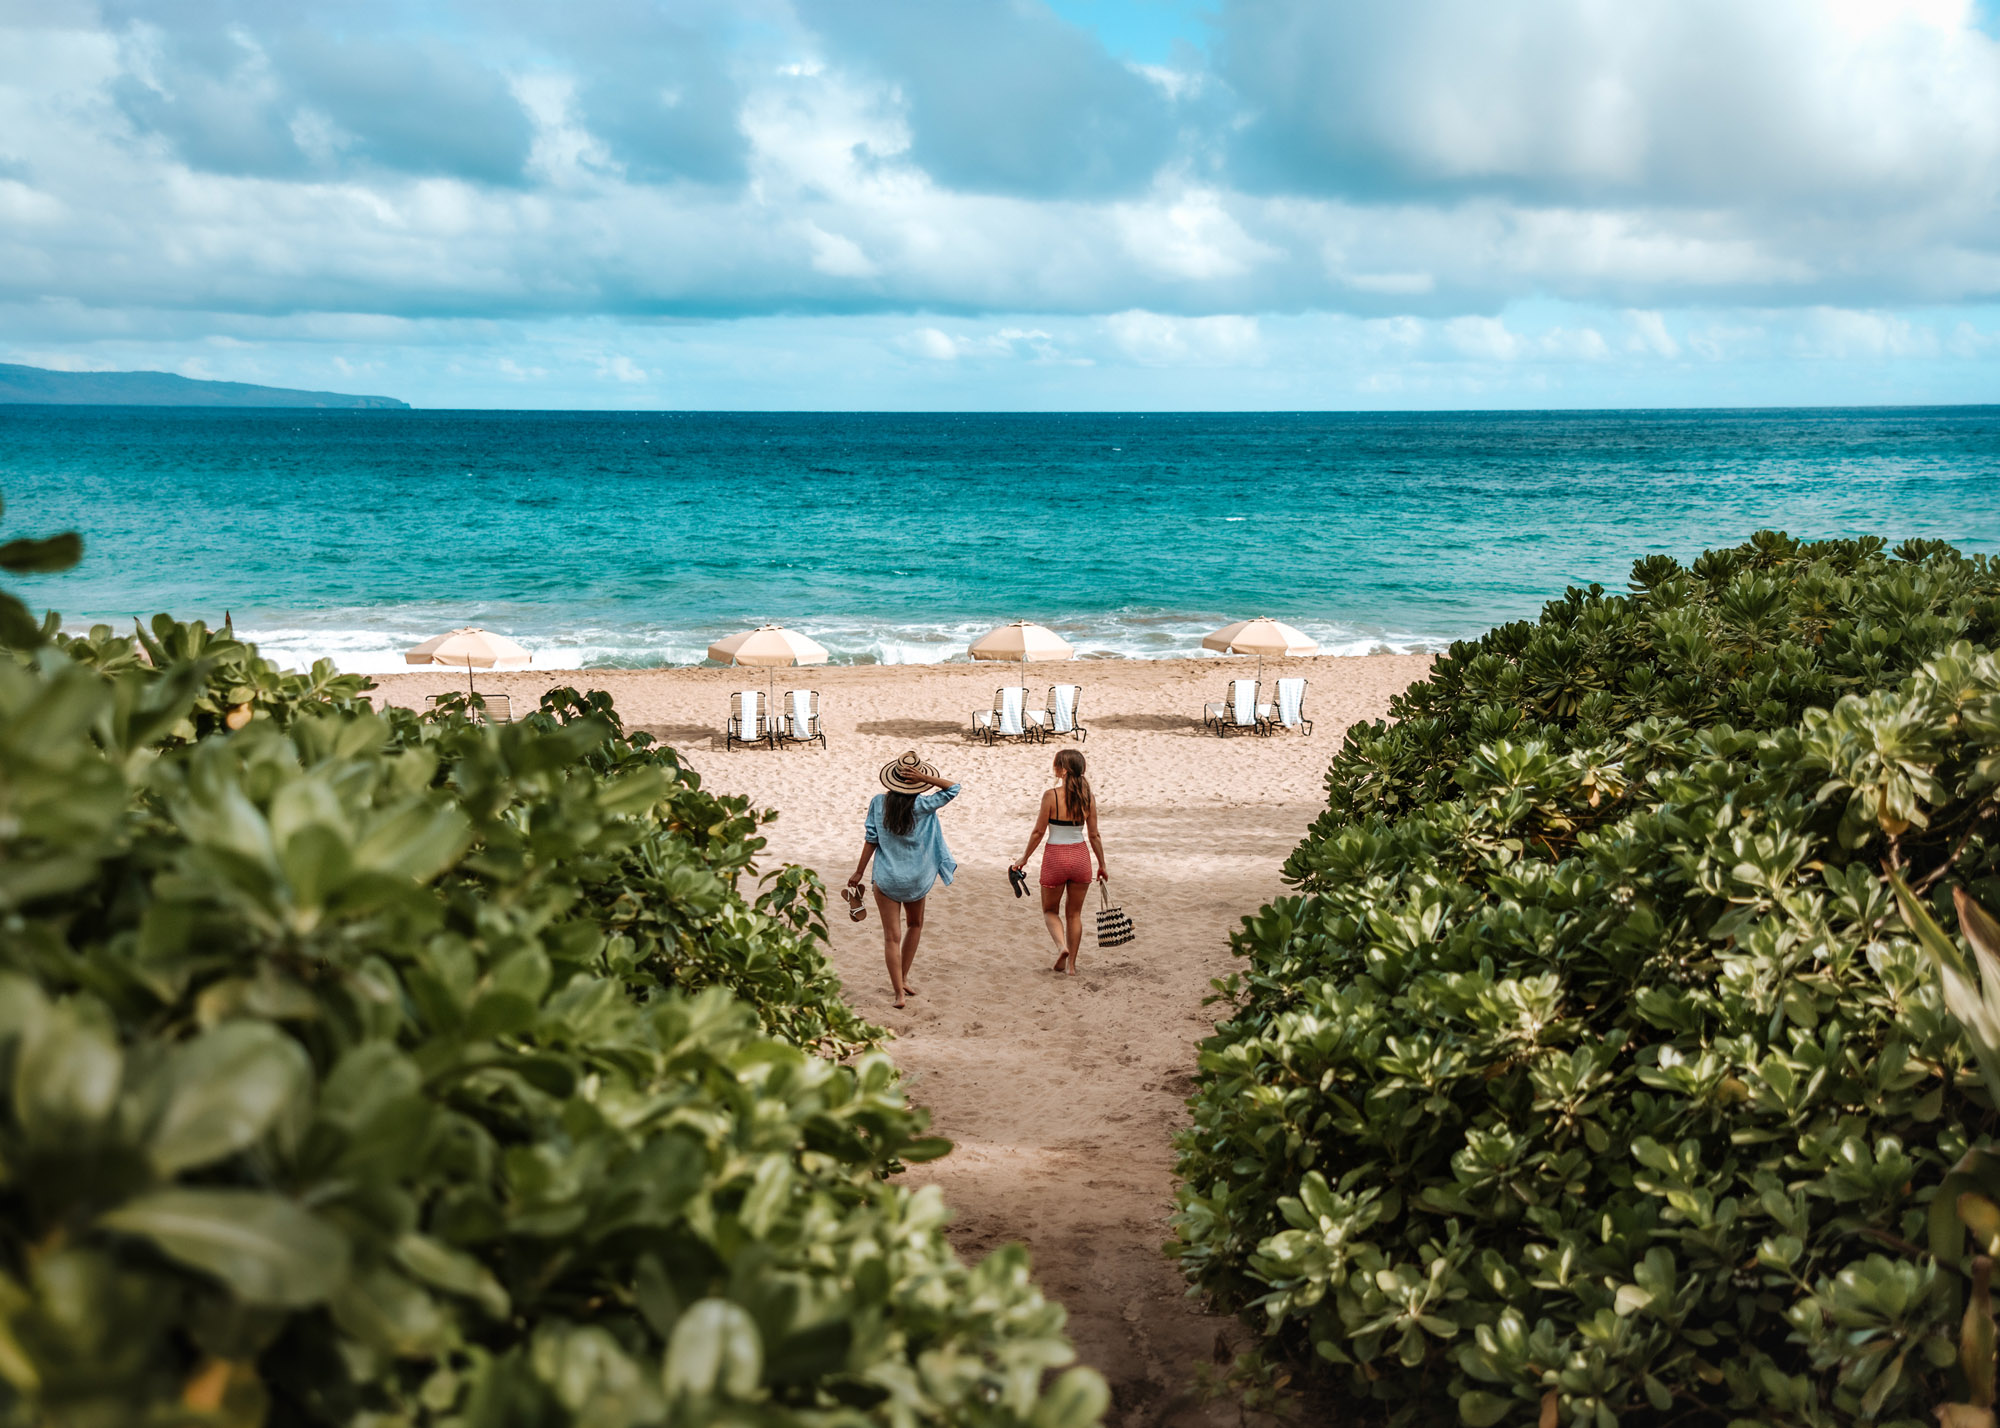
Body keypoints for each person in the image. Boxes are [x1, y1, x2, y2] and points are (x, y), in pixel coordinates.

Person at [846, 750, 961, 1009]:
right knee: (915, 925)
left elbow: (871, 839)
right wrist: (926, 778)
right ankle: (905, 977)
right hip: (916, 879)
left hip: (887, 878)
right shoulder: (924, 805)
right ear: (916, 781)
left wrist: (859, 872)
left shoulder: (878, 803)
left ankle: (898, 993)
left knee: (891, 937)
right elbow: (954, 788)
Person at [1011, 747, 1108, 976]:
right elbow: (1094, 835)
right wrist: (1102, 864)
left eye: (1056, 764)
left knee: (1050, 911)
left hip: (1055, 856)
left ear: (1062, 770)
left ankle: (1061, 947)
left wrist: (1025, 858)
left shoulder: (1051, 796)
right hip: (1080, 857)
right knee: (1074, 914)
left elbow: (1038, 832)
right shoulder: (1088, 798)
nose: (1053, 768)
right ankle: (1072, 966)